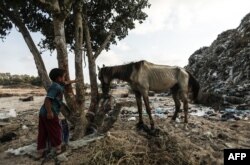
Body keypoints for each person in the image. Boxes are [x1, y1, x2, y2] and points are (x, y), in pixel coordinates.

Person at [36, 68, 76, 158]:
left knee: (43, 131)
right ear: (59, 78)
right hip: (50, 112)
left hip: (42, 113)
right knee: (56, 130)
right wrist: (50, 112)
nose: (65, 79)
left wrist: (75, 80)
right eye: (64, 77)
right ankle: (58, 148)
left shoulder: (57, 84)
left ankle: (40, 151)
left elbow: (65, 83)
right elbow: (47, 99)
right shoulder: (55, 87)